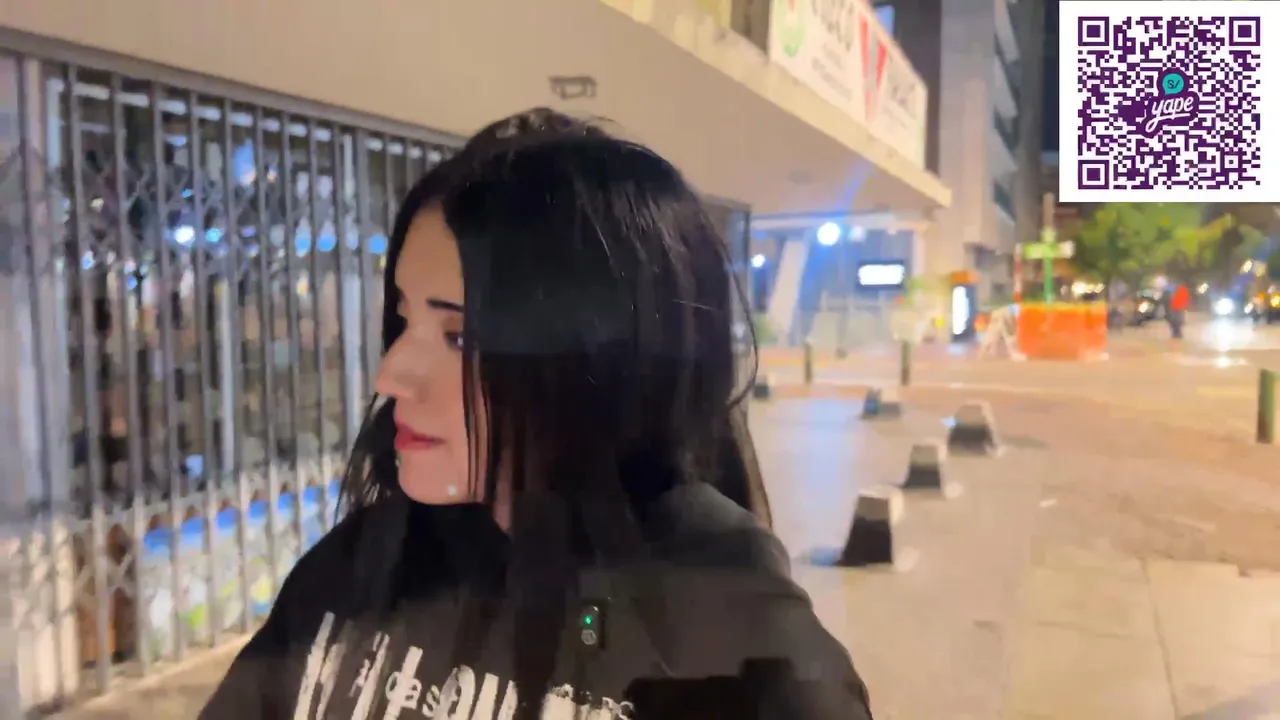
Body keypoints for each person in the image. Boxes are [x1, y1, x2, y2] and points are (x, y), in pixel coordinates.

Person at [199, 110, 871, 720]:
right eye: (403, 319)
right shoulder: (365, 563)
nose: (389, 374)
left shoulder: (730, 631)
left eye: (459, 337)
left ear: (597, 362)